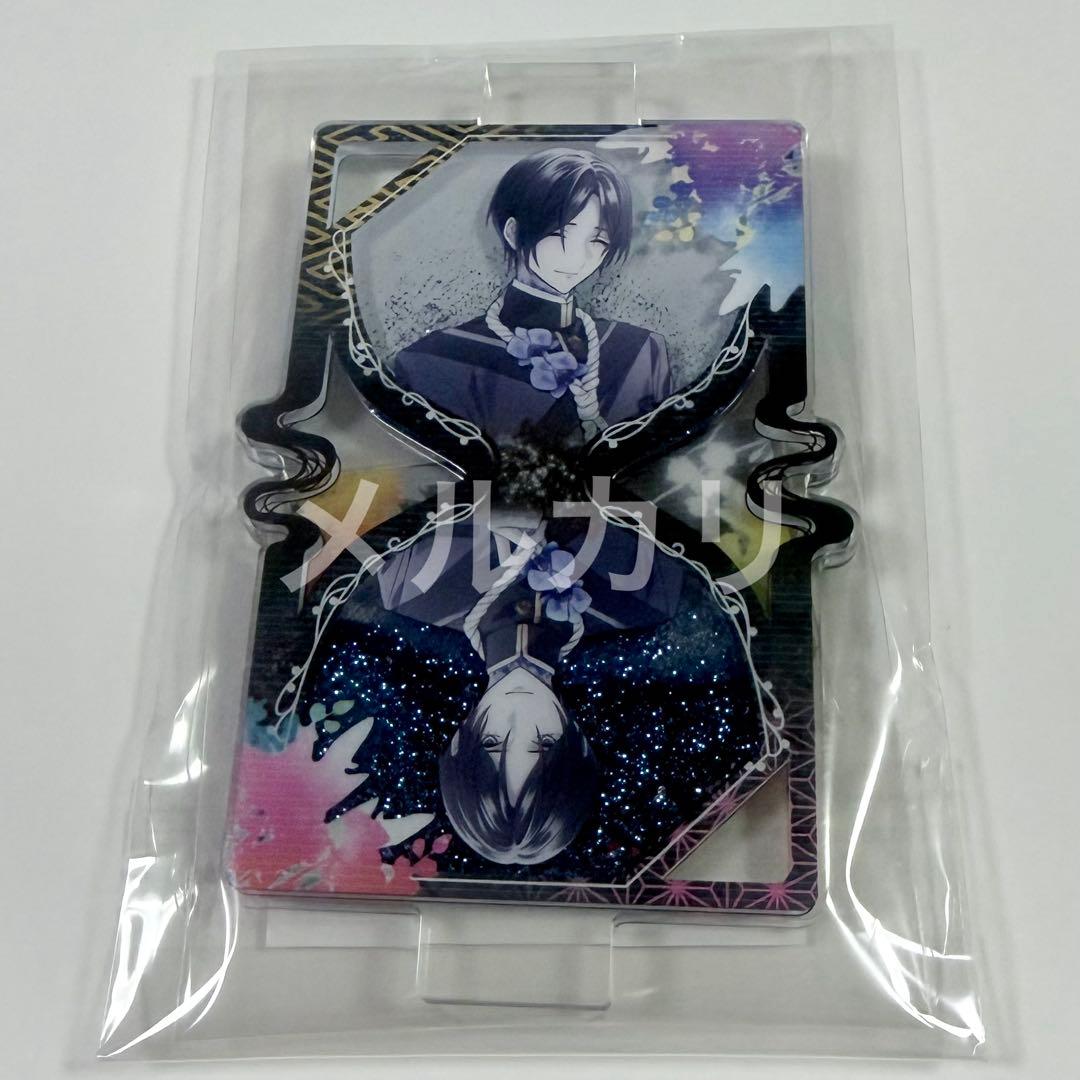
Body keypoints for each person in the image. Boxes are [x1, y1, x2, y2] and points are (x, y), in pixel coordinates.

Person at [393, 146, 672, 447]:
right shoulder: (433, 359)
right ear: (513, 233)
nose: (578, 257)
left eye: (598, 240)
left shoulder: (643, 350)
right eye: (561, 234)